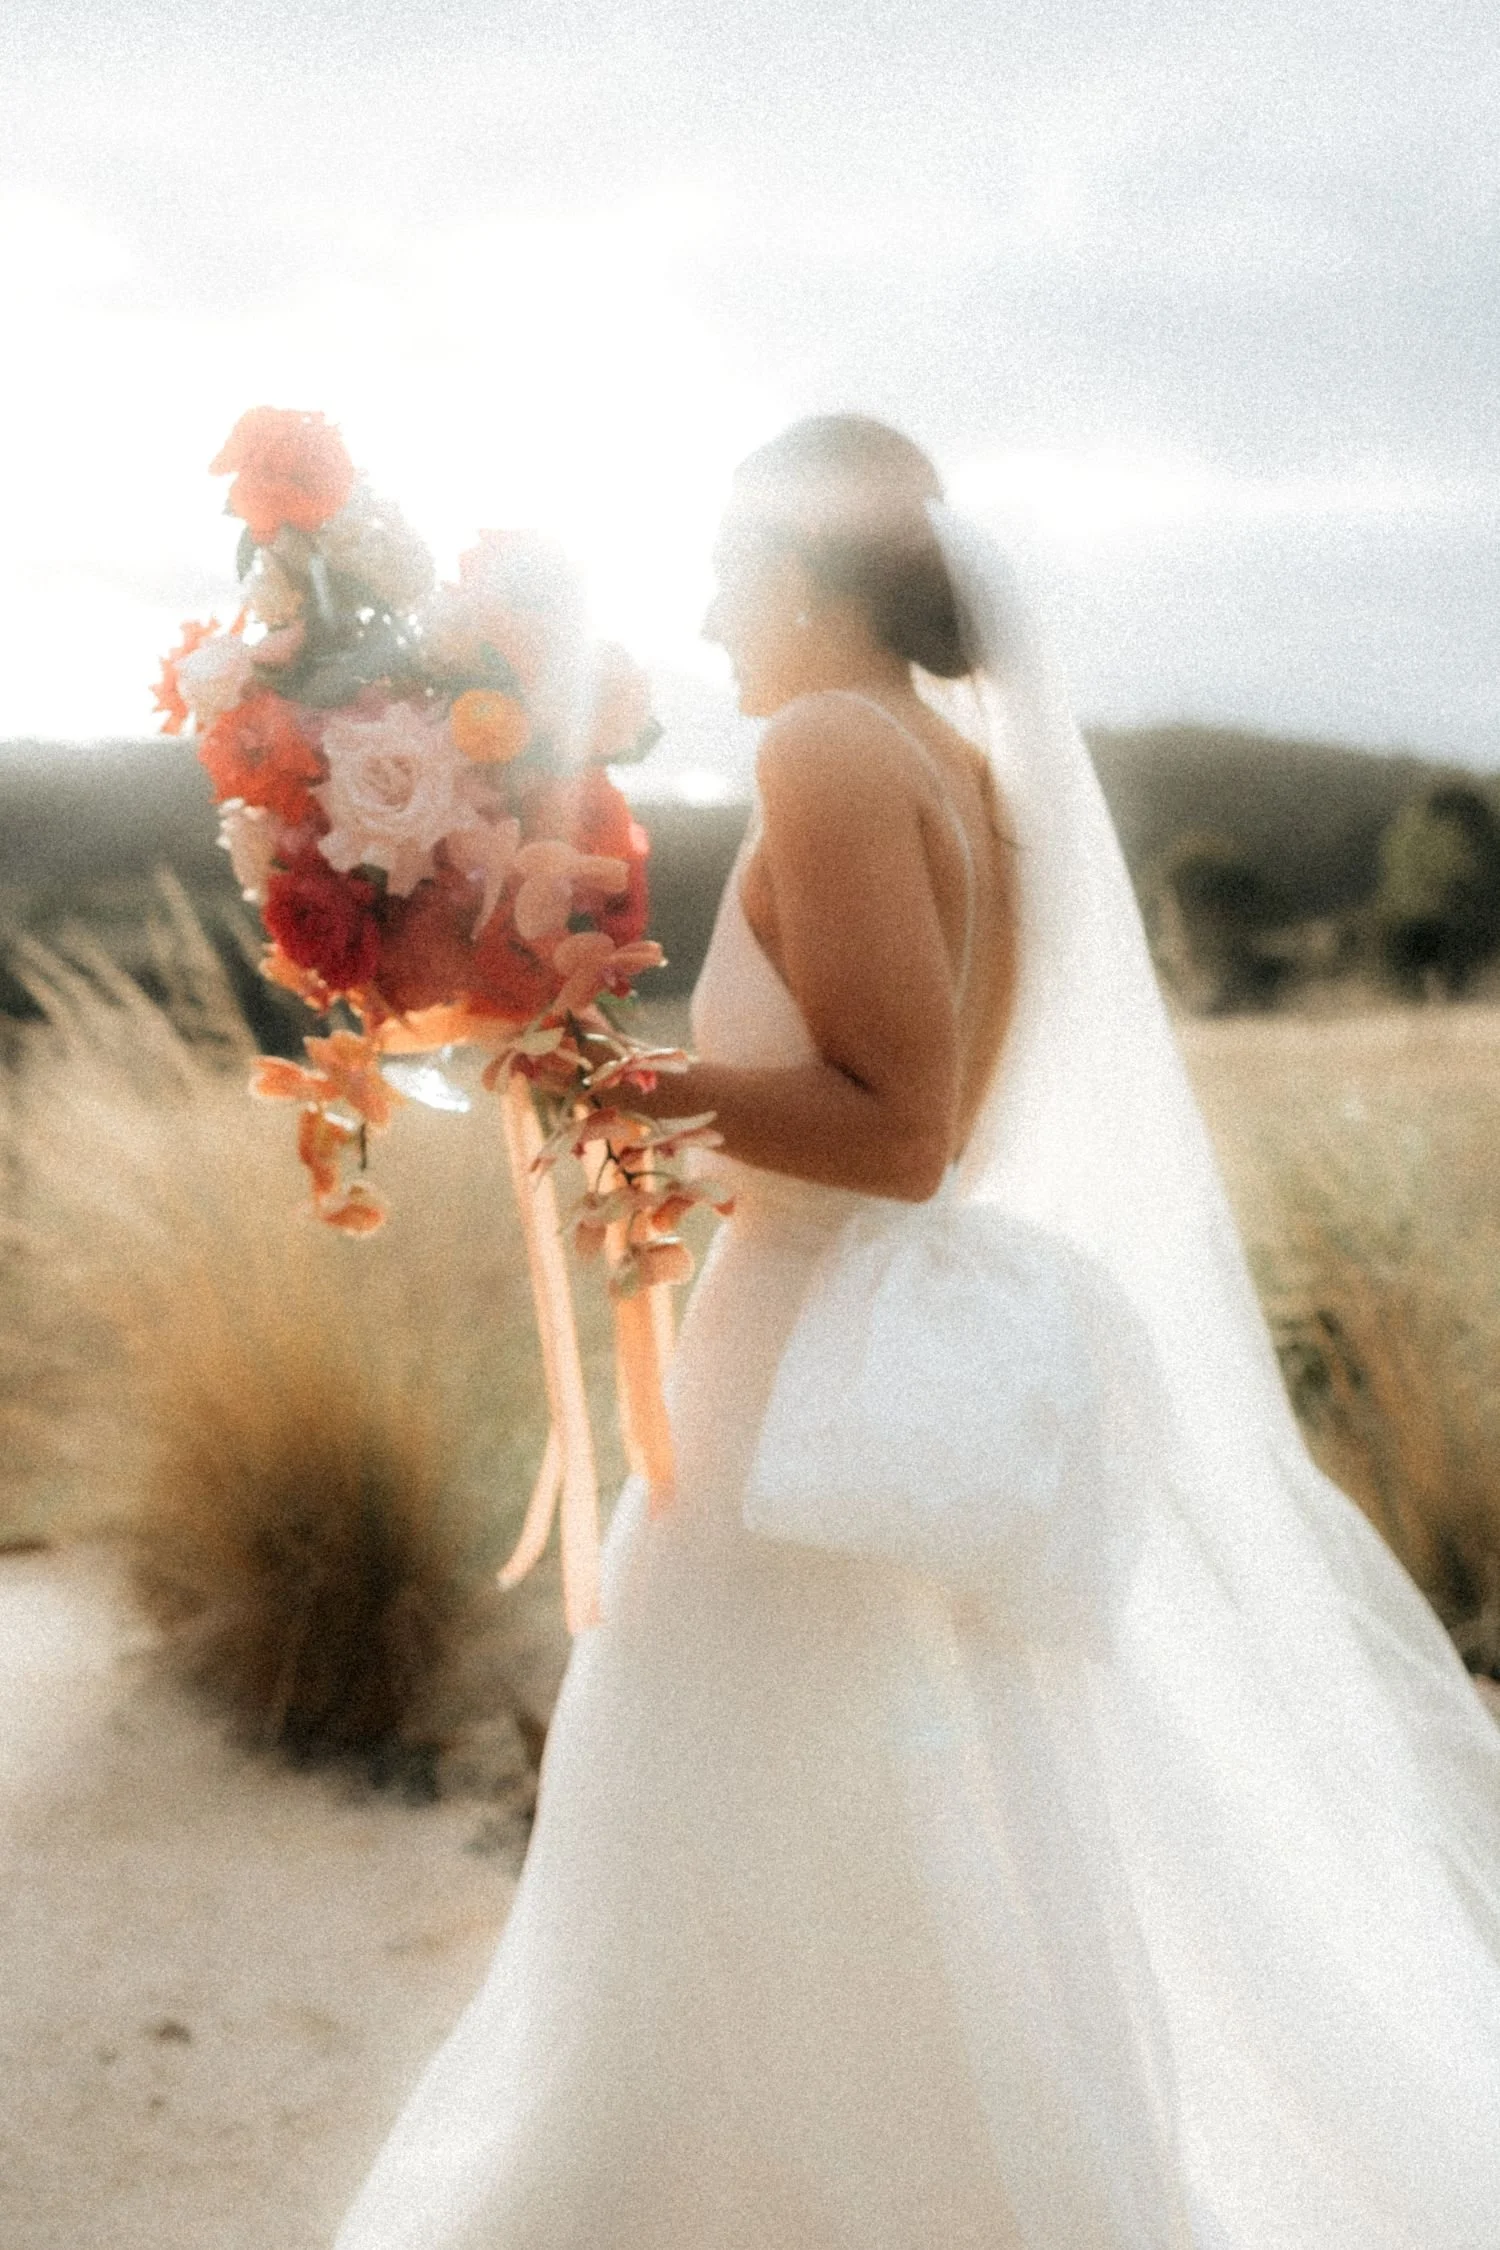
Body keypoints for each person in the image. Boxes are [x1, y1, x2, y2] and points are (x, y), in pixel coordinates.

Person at [331, 417, 1500, 2250]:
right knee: (906, 1889)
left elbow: (896, 1127)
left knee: (715, 1884)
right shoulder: (964, 768)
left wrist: (602, 1079)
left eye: (729, 571)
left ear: (806, 572)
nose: (712, 620)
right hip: (855, 1383)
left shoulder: (825, 745)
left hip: (797, 1401)